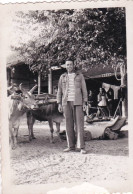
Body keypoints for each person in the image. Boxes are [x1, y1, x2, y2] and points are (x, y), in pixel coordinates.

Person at [57, 58, 88, 154]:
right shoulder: (62, 77)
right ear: (65, 66)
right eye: (67, 65)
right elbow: (59, 91)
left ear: (73, 65)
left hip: (78, 102)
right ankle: (70, 146)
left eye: (70, 64)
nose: (69, 66)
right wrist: (59, 103)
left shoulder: (80, 76)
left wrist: (85, 103)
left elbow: (84, 90)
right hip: (66, 103)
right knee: (68, 124)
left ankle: (81, 147)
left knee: (79, 124)